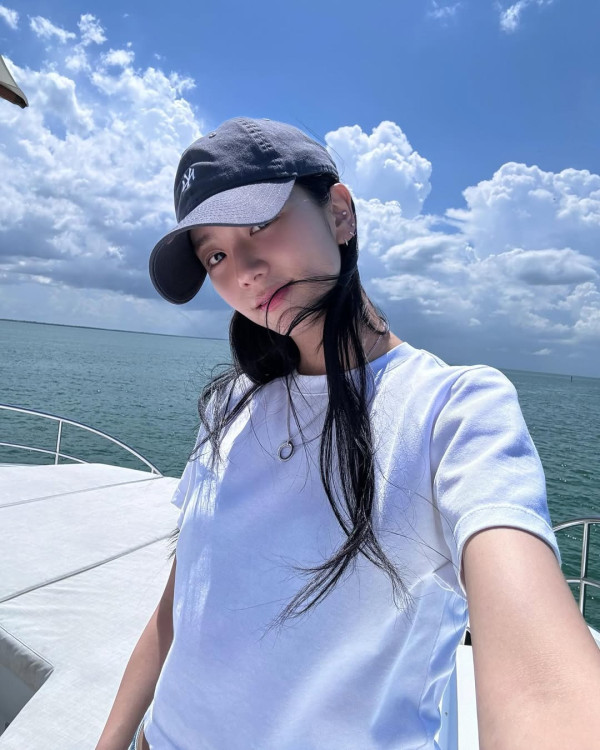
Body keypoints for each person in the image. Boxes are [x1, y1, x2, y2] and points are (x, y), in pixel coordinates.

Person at [96, 117, 599, 750]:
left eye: (258, 225)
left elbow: (545, 688)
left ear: (340, 213)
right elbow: (182, 601)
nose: (243, 270)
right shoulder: (228, 405)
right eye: (214, 255)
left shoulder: (452, 413)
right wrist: (115, 740)